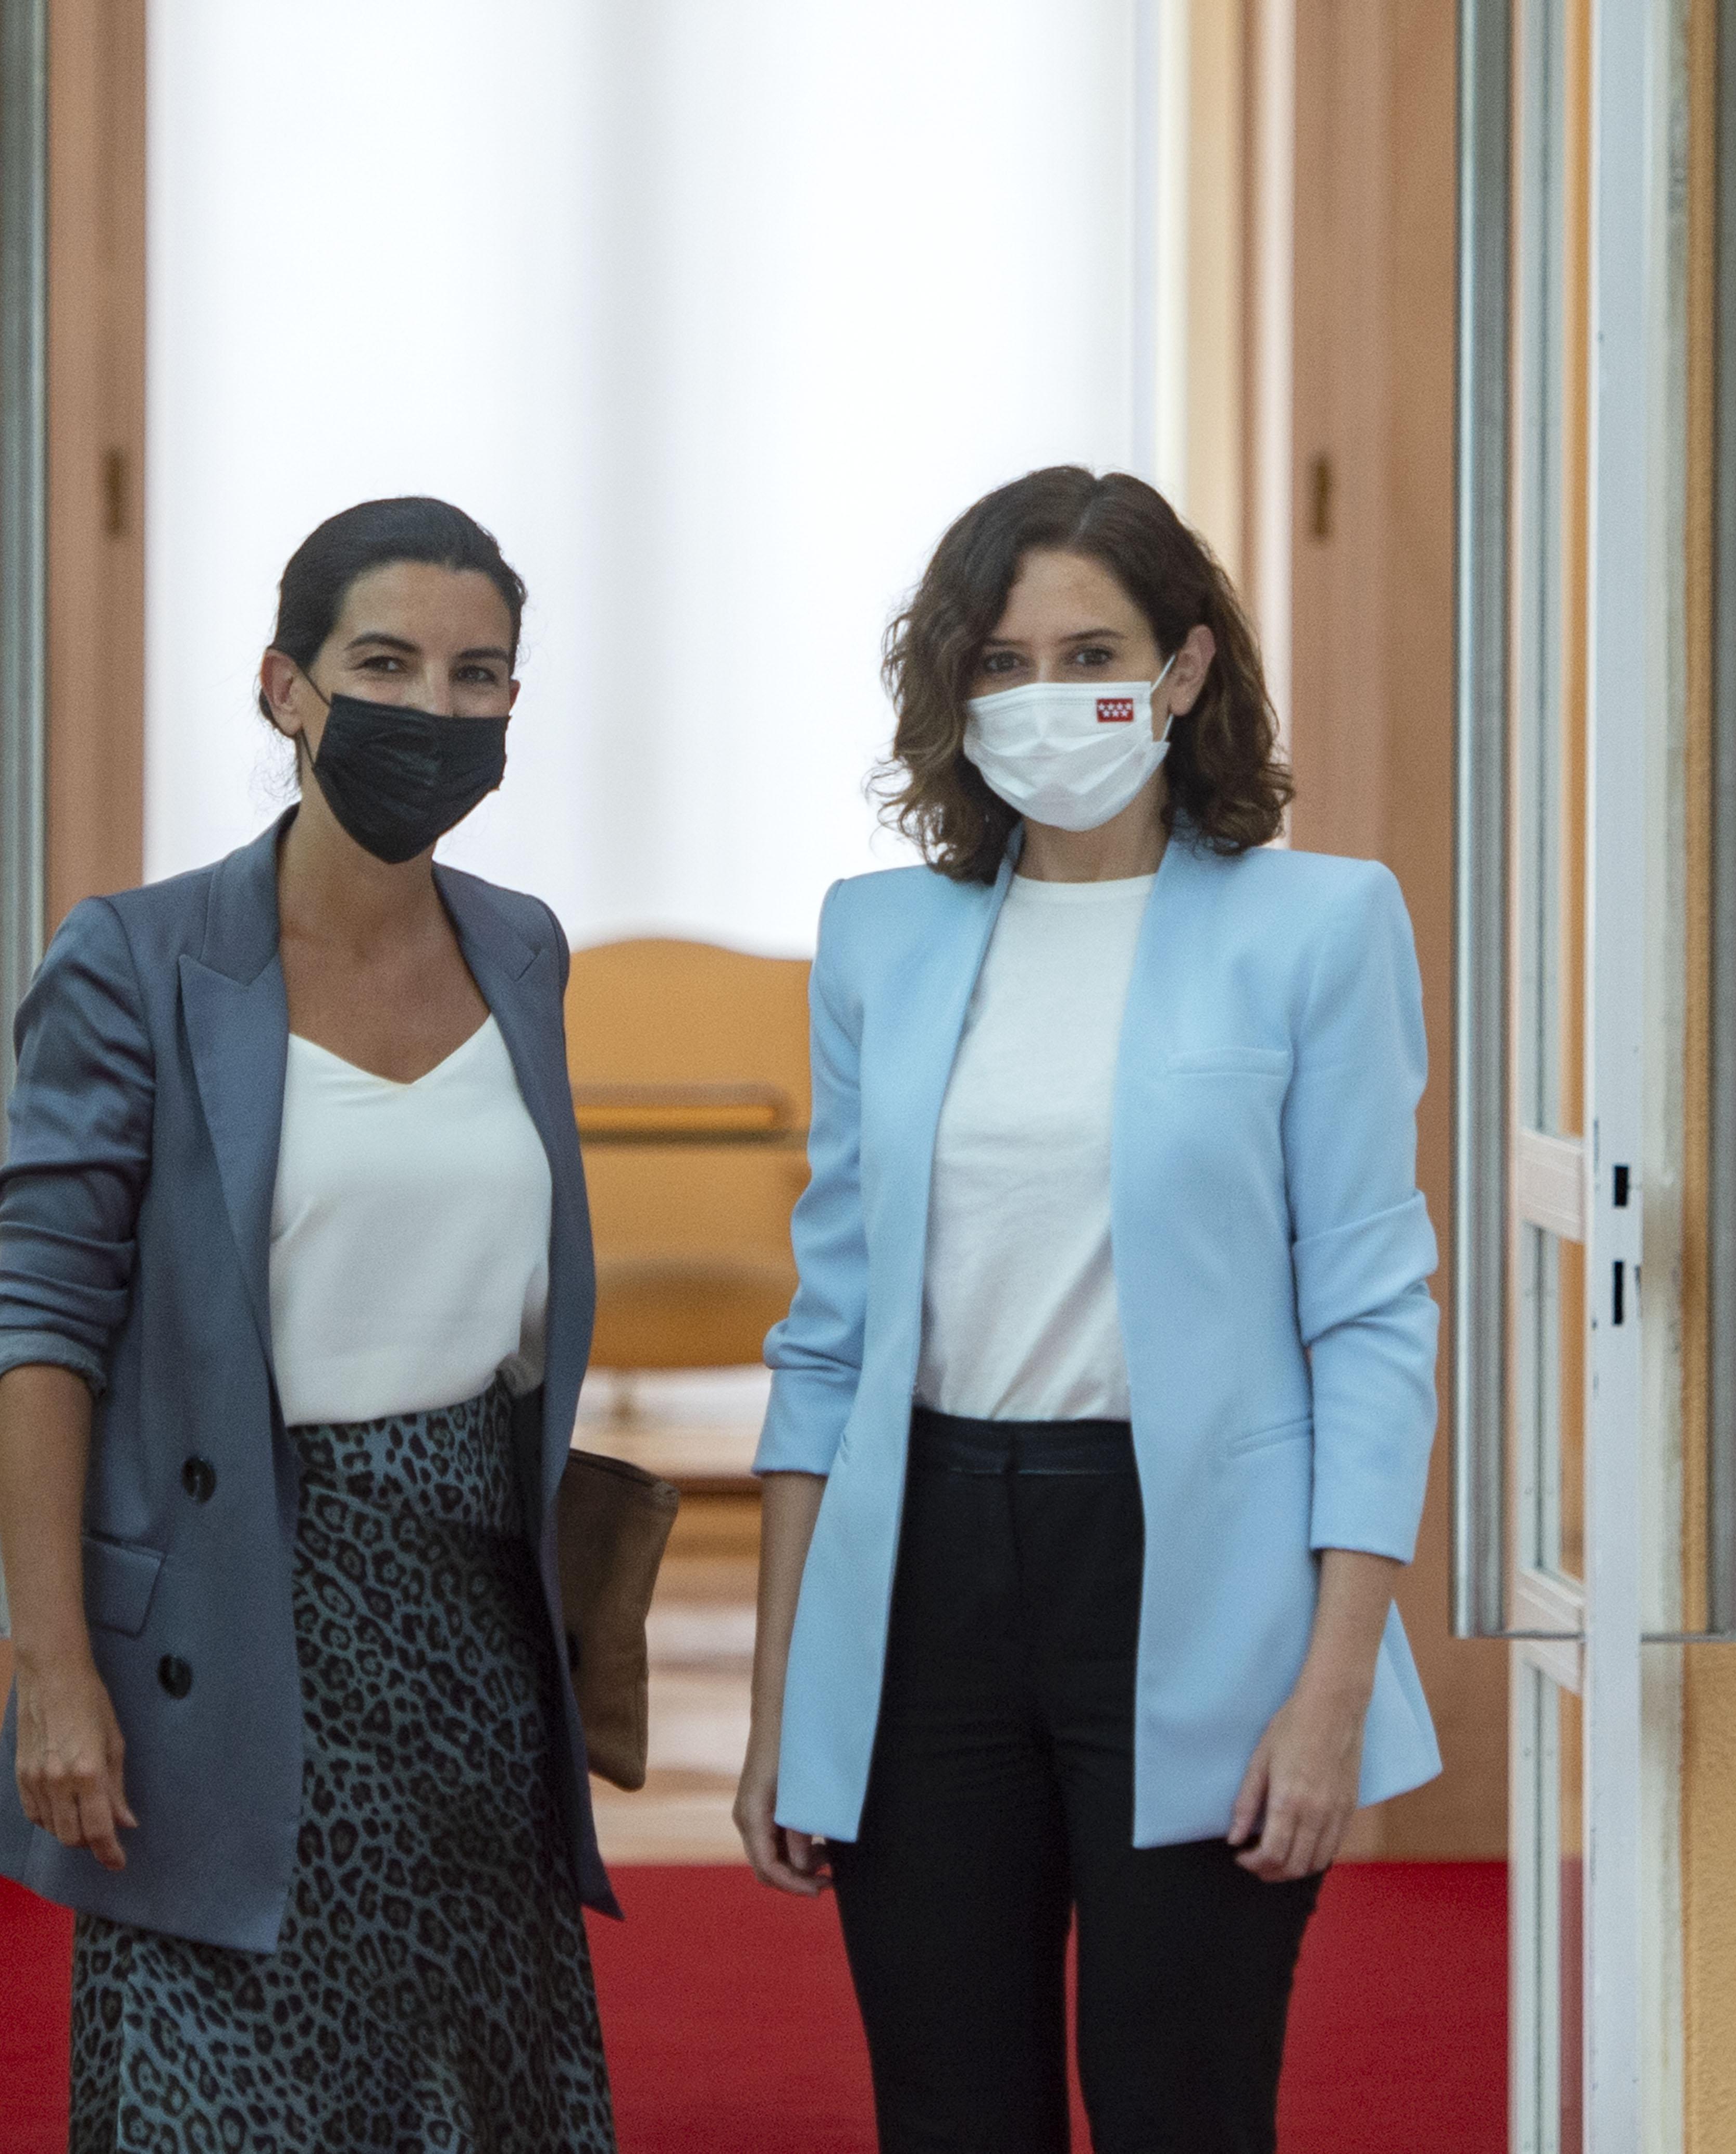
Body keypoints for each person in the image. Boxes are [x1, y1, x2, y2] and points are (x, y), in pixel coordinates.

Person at [733, 466, 1445, 2153]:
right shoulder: (877, 939)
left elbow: (1370, 1314)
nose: (1040, 699)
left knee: (1179, 2105)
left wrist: (1331, 1688)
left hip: (1196, 1568)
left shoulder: (1318, 926)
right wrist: (785, 1700)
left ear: (1183, 670)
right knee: (948, 2112)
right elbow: (824, 1339)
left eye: (1087, 652)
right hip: (922, 1579)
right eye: (994, 663)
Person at [0, 497, 617, 2149]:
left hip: (476, 1633)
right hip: (235, 1615)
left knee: (472, 2097)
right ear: (285, 688)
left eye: (479, 675)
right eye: (385, 663)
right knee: (233, 2102)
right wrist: (53, 1670)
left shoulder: (523, 952)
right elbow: (44, 1328)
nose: (435, 710)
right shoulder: (133, 959)